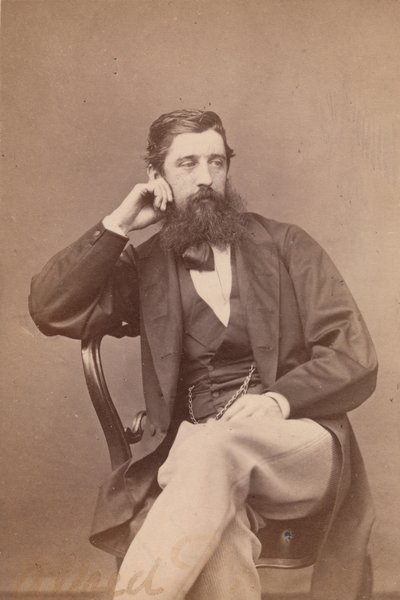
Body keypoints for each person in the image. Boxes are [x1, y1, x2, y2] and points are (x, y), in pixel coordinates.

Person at [29, 109, 378, 600]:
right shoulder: (146, 267)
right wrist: (119, 224)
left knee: (208, 447)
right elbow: (51, 309)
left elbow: (354, 356)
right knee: (217, 531)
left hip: (299, 444)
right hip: (203, 469)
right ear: (156, 176)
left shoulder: (287, 245)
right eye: (187, 163)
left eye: (217, 162)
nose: (206, 178)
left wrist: (277, 400)